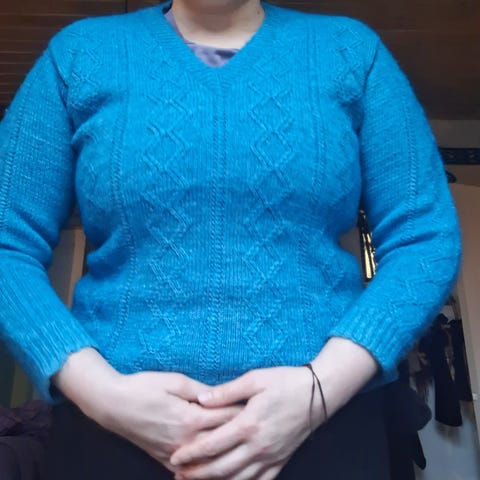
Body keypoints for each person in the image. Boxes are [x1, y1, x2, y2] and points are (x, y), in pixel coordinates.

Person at [0, 0, 462, 478]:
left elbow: (424, 237)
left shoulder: (352, 53)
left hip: (326, 431)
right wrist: (103, 395)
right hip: (108, 440)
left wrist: (319, 389)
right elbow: (7, 243)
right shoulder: (79, 56)